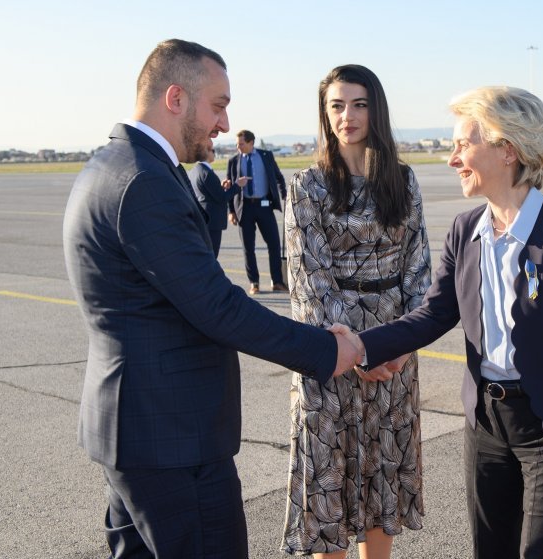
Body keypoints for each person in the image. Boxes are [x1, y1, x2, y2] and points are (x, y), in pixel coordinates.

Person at [62, 39, 362, 559]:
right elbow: (216, 306)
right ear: (175, 98)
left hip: (136, 431)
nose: (224, 124)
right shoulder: (143, 182)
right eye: (218, 106)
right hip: (170, 440)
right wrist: (325, 350)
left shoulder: (114, 165)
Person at [334, 86, 543, 559]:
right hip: (488, 426)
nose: (453, 159)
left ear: (507, 149)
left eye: (462, 145)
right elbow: (433, 313)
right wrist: (359, 346)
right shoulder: (465, 229)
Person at [281, 64, 432, 559]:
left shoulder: (403, 181)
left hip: (394, 346)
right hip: (331, 346)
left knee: (383, 468)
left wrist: (398, 347)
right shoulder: (307, 185)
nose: (348, 116)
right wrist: (353, 351)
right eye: (337, 106)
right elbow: (308, 277)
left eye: (360, 104)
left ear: (377, 110)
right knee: (330, 472)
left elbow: (419, 270)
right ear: (325, 115)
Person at [227, 129, 288, 294]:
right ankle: (254, 282)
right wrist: (231, 210)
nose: (238, 147)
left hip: (264, 205)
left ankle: (277, 281)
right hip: (244, 207)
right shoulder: (233, 161)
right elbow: (230, 188)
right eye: (237, 144)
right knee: (248, 247)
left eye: (241, 144)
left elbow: (278, 177)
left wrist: (284, 194)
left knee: (274, 244)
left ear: (251, 142)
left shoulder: (266, 156)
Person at [188, 145, 234, 257]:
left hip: (203, 218)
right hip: (213, 220)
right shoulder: (207, 173)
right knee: (213, 255)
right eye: (213, 151)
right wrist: (237, 186)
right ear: (207, 153)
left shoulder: (195, 170)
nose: (214, 153)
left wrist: (220, 187)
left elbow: (208, 193)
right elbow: (222, 198)